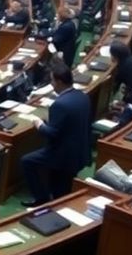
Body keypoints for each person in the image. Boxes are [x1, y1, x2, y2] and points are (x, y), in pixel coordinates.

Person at [22, 62, 91, 206]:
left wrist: (39, 124)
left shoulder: (60, 104)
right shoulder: (82, 96)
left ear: (59, 82)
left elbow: (52, 134)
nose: (51, 84)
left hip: (62, 154)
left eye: (52, 81)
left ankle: (41, 198)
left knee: (27, 161)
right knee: (60, 186)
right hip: (80, 150)